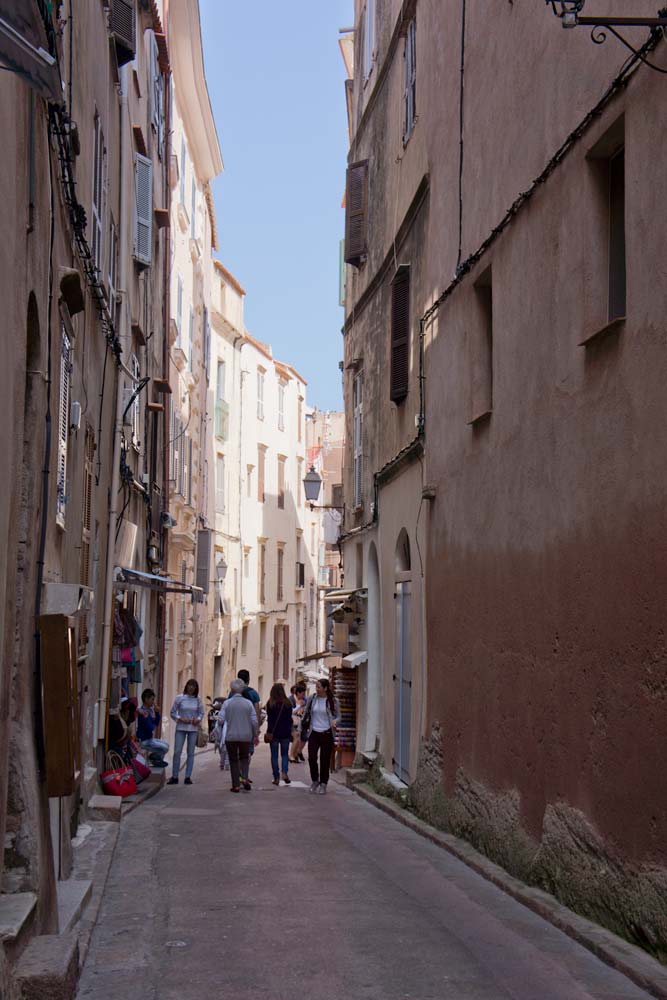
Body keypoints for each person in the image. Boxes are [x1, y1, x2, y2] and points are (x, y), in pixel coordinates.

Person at [215, 678, 258, 792]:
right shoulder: (248, 703)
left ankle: (236, 785)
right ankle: (244, 777)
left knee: (233, 760)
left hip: (231, 736)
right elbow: (254, 721)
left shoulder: (227, 703)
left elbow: (220, 720)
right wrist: (255, 734)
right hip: (246, 736)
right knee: (244, 758)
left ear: (232, 690)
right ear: (242, 689)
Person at [301, 678, 341, 795]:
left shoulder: (333, 701)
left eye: (319, 687)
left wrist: (335, 721)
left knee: (325, 760)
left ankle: (323, 783)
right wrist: (300, 728)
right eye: (316, 686)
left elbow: (339, 716)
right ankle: (315, 780)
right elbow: (306, 713)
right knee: (312, 757)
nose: (316, 689)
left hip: (327, 733)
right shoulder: (312, 698)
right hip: (314, 732)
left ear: (325, 688)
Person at [167, 679, 204, 786]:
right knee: (177, 751)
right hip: (181, 728)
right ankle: (175, 776)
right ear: (186, 686)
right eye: (190, 685)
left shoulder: (198, 699)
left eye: (194, 686)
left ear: (196, 688)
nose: (191, 688)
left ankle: (188, 776)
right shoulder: (180, 698)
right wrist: (180, 718)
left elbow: (201, 713)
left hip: (193, 729)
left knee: (190, 753)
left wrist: (197, 719)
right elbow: (172, 712)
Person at [265, 683, 293, 786]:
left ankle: (276, 777)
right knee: (285, 754)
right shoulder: (288, 703)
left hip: (274, 733)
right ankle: (284, 773)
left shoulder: (270, 703)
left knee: (274, 756)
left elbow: (270, 719)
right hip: (285, 733)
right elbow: (290, 719)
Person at [136, 688, 169, 767]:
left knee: (166, 745)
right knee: (164, 748)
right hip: (144, 741)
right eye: (152, 699)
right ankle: (155, 760)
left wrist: (157, 713)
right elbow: (151, 727)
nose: (153, 702)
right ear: (146, 699)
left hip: (149, 739)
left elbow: (156, 723)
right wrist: (150, 719)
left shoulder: (149, 710)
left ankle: (156, 759)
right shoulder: (143, 711)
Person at [289, 683, 307, 763]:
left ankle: (295, 755)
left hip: (299, 722)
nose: (303, 696)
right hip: (292, 722)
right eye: (302, 694)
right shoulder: (291, 699)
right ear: (298, 693)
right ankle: (291, 756)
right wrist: (299, 706)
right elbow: (291, 712)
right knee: (296, 738)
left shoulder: (303, 700)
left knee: (298, 739)